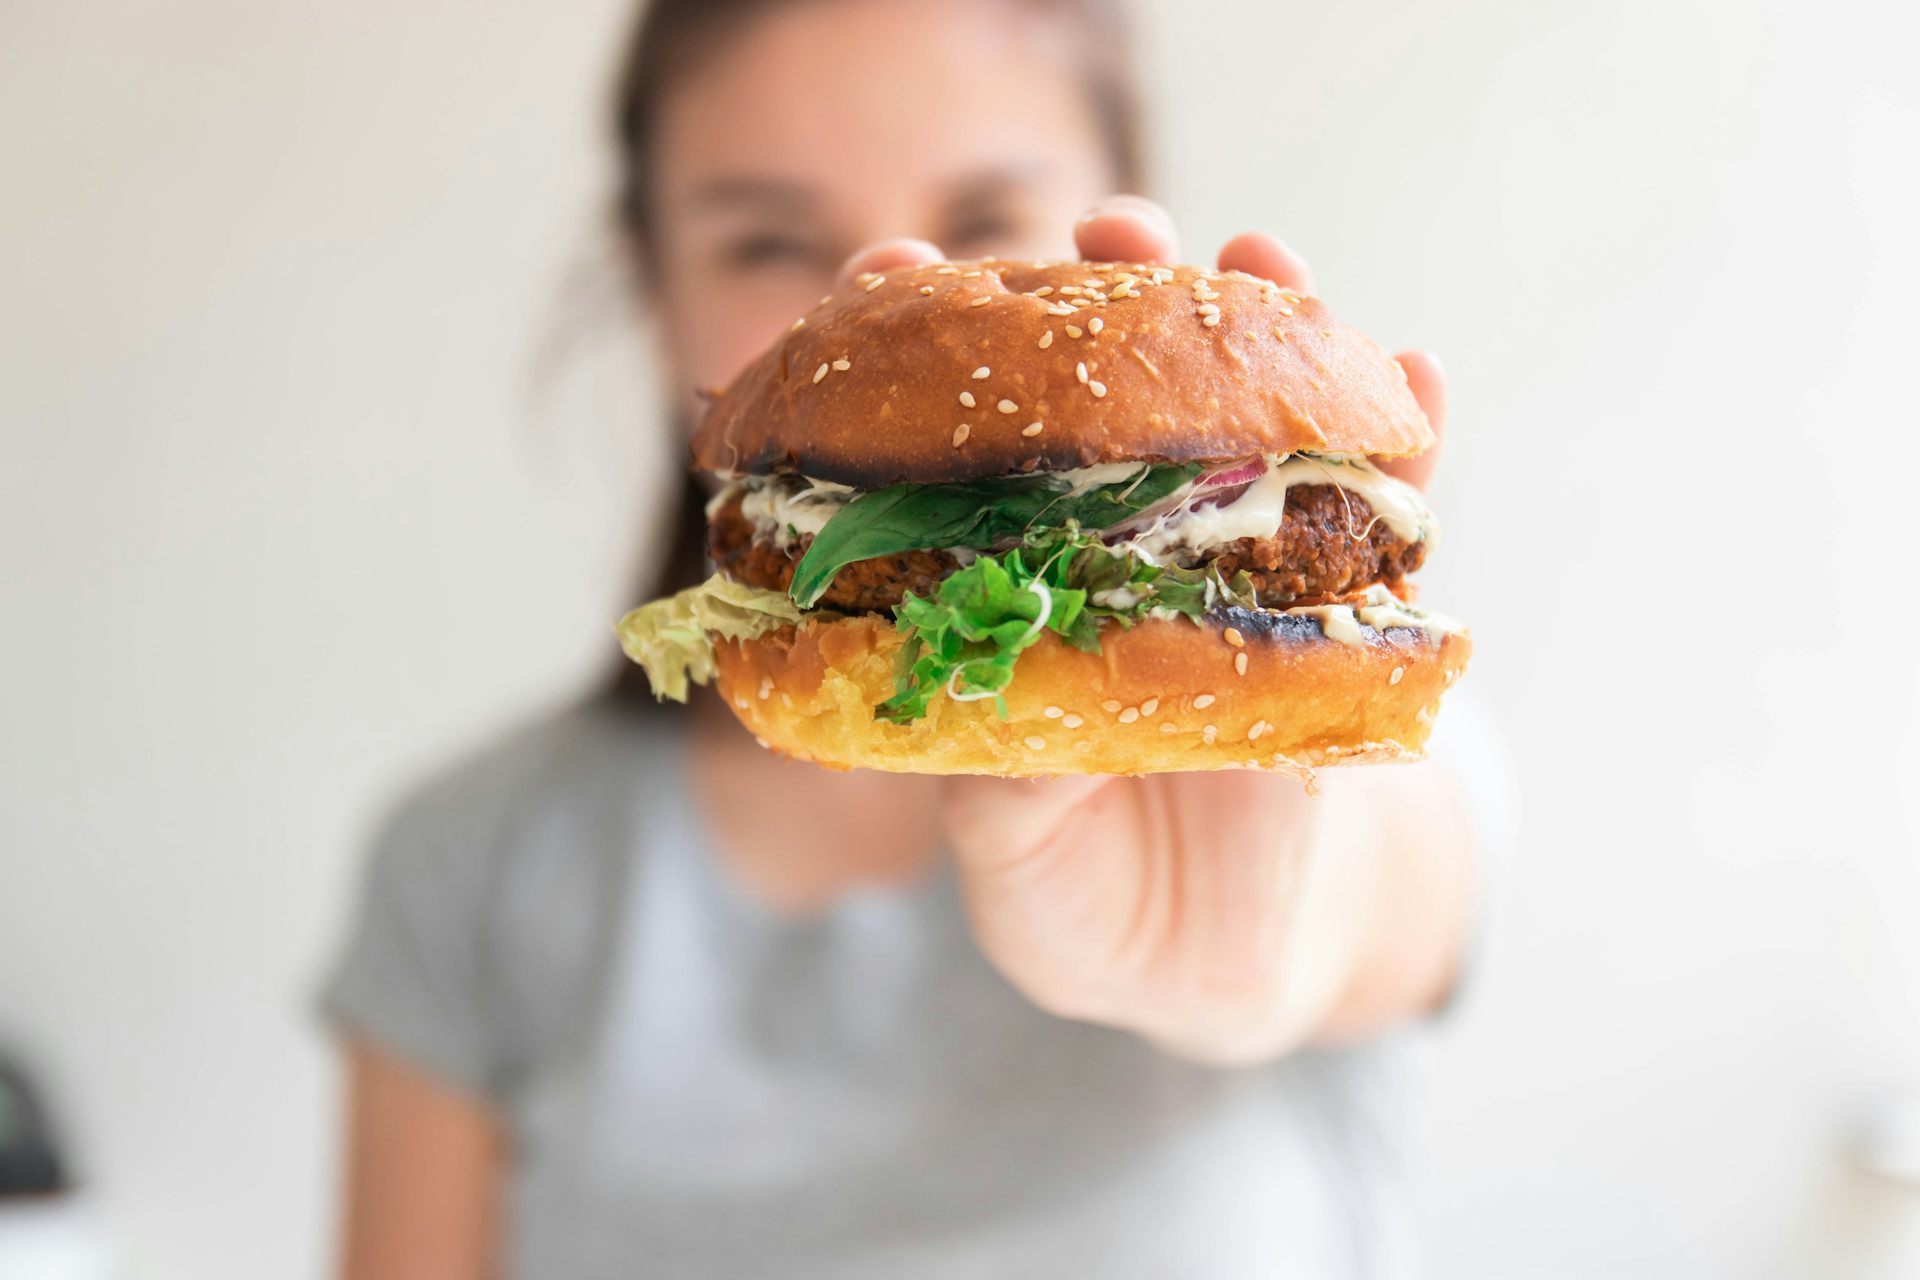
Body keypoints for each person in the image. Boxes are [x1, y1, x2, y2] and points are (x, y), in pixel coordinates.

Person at [323, 1, 1495, 1276]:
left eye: (990, 222)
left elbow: (1382, 899)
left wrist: (1277, 950)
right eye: (767, 238)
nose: (895, 286)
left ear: (1124, 212)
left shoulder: (1334, 776)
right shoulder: (468, 863)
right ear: (651, 282)